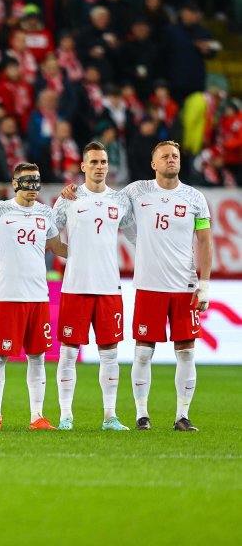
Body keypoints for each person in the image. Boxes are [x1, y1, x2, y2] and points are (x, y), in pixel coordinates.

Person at [63, 140, 212, 431]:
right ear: (153, 164)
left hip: (185, 286)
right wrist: (72, 190)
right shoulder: (135, 192)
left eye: (176, 156)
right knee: (143, 352)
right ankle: (141, 415)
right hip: (148, 286)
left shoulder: (195, 198)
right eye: (165, 156)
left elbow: (205, 241)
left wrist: (204, 283)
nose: (172, 160)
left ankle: (182, 415)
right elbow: (99, 197)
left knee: (187, 351)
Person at [0, 163, 68, 430]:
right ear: (15, 182)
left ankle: (37, 416)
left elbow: (56, 246)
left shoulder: (45, 213)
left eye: (36, 182)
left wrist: (85, 254)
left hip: (39, 296)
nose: (32, 188)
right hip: (8, 295)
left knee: (37, 356)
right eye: (27, 181)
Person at [52, 142, 134, 431]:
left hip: (109, 287)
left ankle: (110, 416)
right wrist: (70, 254)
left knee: (110, 352)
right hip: (75, 285)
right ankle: (65, 416)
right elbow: (50, 233)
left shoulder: (120, 200)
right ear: (83, 166)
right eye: (94, 162)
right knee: (68, 352)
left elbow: (137, 236)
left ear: (108, 166)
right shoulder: (68, 199)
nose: (100, 166)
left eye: (104, 162)